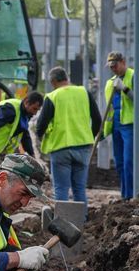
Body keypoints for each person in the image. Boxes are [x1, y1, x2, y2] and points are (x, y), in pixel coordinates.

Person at [36, 67, 101, 209]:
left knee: (61, 189)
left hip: (61, 148)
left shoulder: (52, 97)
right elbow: (97, 119)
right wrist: (90, 135)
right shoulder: (84, 92)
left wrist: (40, 138)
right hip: (83, 147)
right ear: (66, 77)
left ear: (53, 81)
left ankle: (63, 225)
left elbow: (41, 125)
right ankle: (82, 223)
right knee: (79, 189)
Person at [102, 52, 139, 200]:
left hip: (130, 126)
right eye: (111, 67)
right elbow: (109, 109)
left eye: (115, 66)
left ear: (123, 62)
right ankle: (124, 196)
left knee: (129, 162)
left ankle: (131, 196)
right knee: (120, 163)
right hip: (116, 126)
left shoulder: (134, 76)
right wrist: (103, 130)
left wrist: (125, 89)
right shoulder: (110, 82)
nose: (113, 69)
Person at [0, 92, 44, 167]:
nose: (35, 113)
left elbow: (25, 136)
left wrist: (33, 156)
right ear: (26, 102)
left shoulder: (25, 115)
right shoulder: (10, 110)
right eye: (34, 109)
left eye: (37, 110)